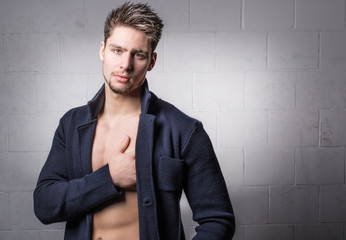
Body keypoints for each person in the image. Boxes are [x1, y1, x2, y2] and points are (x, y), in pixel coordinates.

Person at [33, 2, 235, 240]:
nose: (125, 65)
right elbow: (44, 205)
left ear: (151, 61)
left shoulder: (183, 130)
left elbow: (218, 219)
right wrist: (110, 178)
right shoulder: (71, 124)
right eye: (117, 50)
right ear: (102, 50)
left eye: (138, 55)